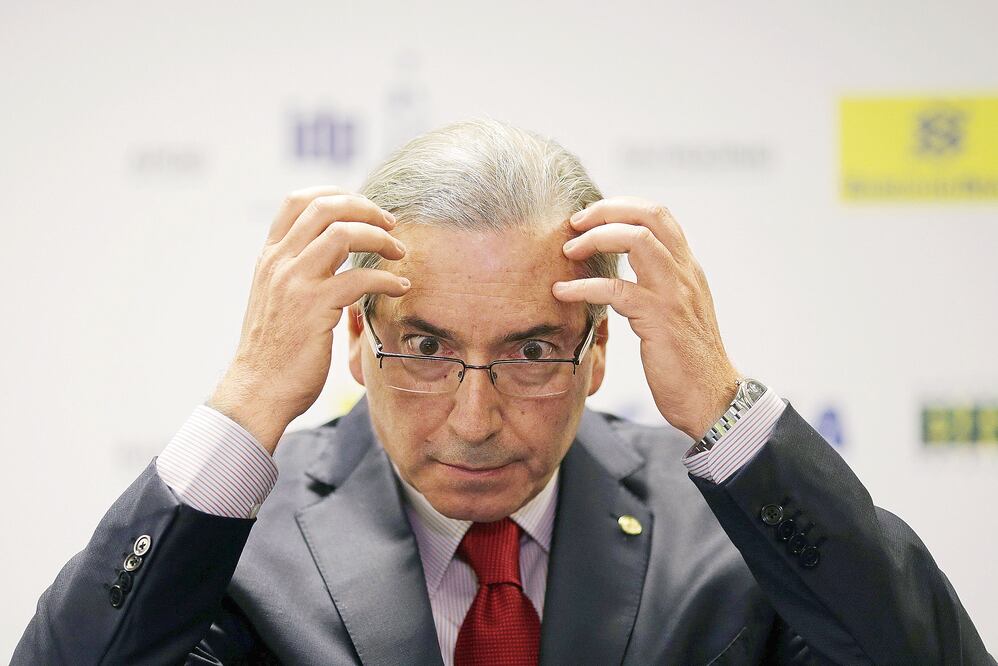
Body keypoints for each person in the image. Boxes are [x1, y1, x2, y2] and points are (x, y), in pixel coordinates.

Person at [13, 118, 993, 665]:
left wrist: (727, 414)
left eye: (531, 353)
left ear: (597, 353)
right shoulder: (235, 544)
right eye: (423, 348)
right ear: (355, 340)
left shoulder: (727, 535)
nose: (474, 421)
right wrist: (243, 406)